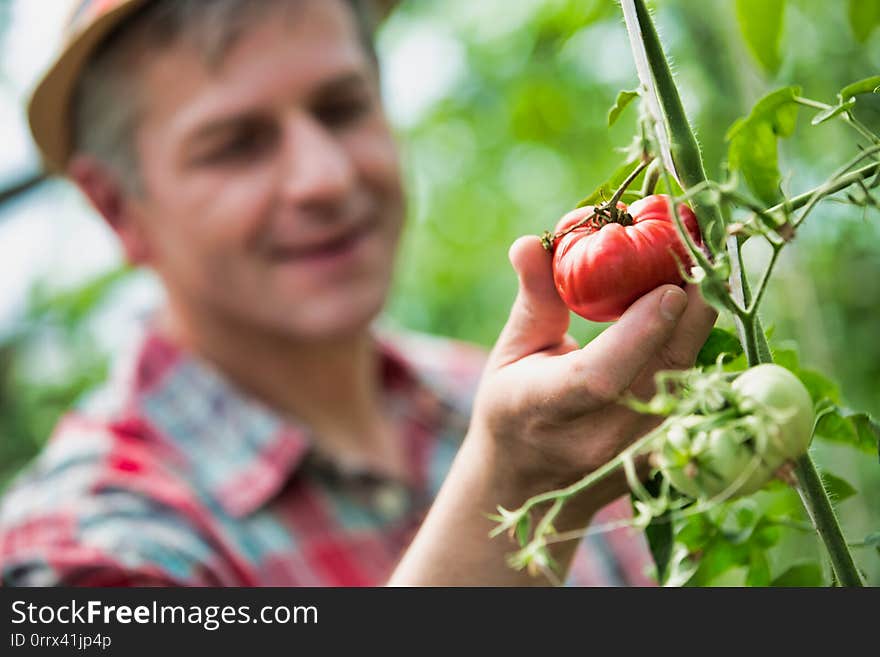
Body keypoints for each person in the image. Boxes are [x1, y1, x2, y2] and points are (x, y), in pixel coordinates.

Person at [0, 0, 715, 587]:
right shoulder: (89, 545)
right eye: (236, 144)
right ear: (118, 209)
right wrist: (519, 488)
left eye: (341, 108)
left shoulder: (491, 398)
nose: (325, 178)